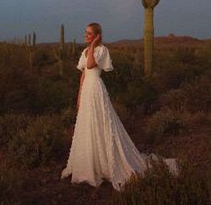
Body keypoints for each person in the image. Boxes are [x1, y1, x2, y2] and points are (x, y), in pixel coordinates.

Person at [60, 22, 178, 192]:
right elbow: (84, 74)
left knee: (100, 122)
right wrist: (78, 97)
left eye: (89, 33)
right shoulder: (84, 52)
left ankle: (106, 163)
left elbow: (92, 65)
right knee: (87, 125)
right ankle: (90, 163)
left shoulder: (101, 50)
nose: (86, 35)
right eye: (85, 33)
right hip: (86, 90)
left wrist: (93, 46)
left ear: (96, 35)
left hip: (96, 89)